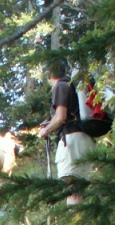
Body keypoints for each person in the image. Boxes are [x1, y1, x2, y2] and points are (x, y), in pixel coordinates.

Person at [37, 61, 93, 205]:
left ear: (48, 75)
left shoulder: (60, 86)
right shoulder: (72, 85)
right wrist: (51, 123)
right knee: (78, 189)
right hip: (84, 137)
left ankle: (73, 217)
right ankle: (79, 217)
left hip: (71, 141)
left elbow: (61, 117)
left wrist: (46, 130)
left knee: (71, 187)